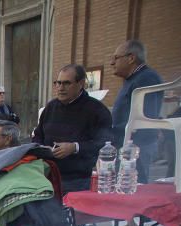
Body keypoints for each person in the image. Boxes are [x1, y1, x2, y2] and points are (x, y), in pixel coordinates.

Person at [32, 64, 113, 193]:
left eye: (66, 83)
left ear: (81, 83)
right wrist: (42, 149)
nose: (60, 88)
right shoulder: (50, 107)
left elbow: (105, 144)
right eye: (58, 83)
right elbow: (38, 135)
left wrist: (74, 147)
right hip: (47, 175)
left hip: (79, 180)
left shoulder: (96, 110)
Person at [111, 39, 163, 184]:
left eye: (116, 58)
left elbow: (145, 118)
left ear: (131, 58)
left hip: (136, 147)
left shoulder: (146, 78)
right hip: (126, 144)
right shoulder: (133, 79)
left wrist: (113, 132)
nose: (112, 63)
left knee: (134, 188)